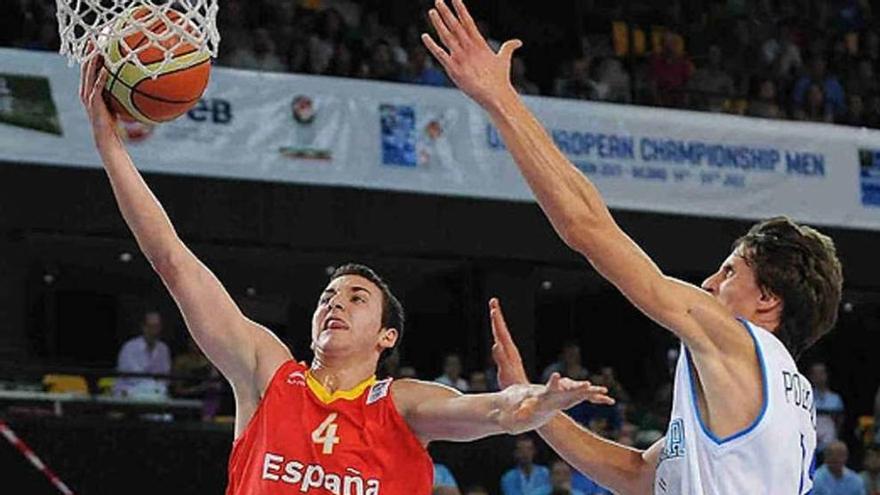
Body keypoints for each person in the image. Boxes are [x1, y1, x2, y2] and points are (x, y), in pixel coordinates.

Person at [79, 56, 612, 494]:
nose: (334, 303)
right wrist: (110, 146)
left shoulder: (403, 404)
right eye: (328, 296)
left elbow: (494, 412)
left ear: (388, 335)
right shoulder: (268, 375)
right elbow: (173, 261)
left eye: (356, 298)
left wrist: (533, 403)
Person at [421, 2, 843, 493]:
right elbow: (638, 474)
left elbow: (588, 228)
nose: (709, 283)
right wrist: (534, 410)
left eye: (730, 272)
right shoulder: (793, 397)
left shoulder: (735, 338)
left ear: (768, 297)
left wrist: (501, 100)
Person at [114, 310, 172, 398]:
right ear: (143, 327)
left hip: (155, 393)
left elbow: (165, 377)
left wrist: (155, 387)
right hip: (129, 392)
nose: (154, 331)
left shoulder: (163, 349)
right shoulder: (129, 347)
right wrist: (149, 385)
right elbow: (131, 377)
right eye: (150, 326)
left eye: (156, 326)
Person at [811, 362, 846, 452]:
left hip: (829, 443)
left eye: (821, 373)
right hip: (811, 441)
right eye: (815, 374)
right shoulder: (808, 397)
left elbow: (839, 421)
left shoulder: (835, 399)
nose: (818, 377)